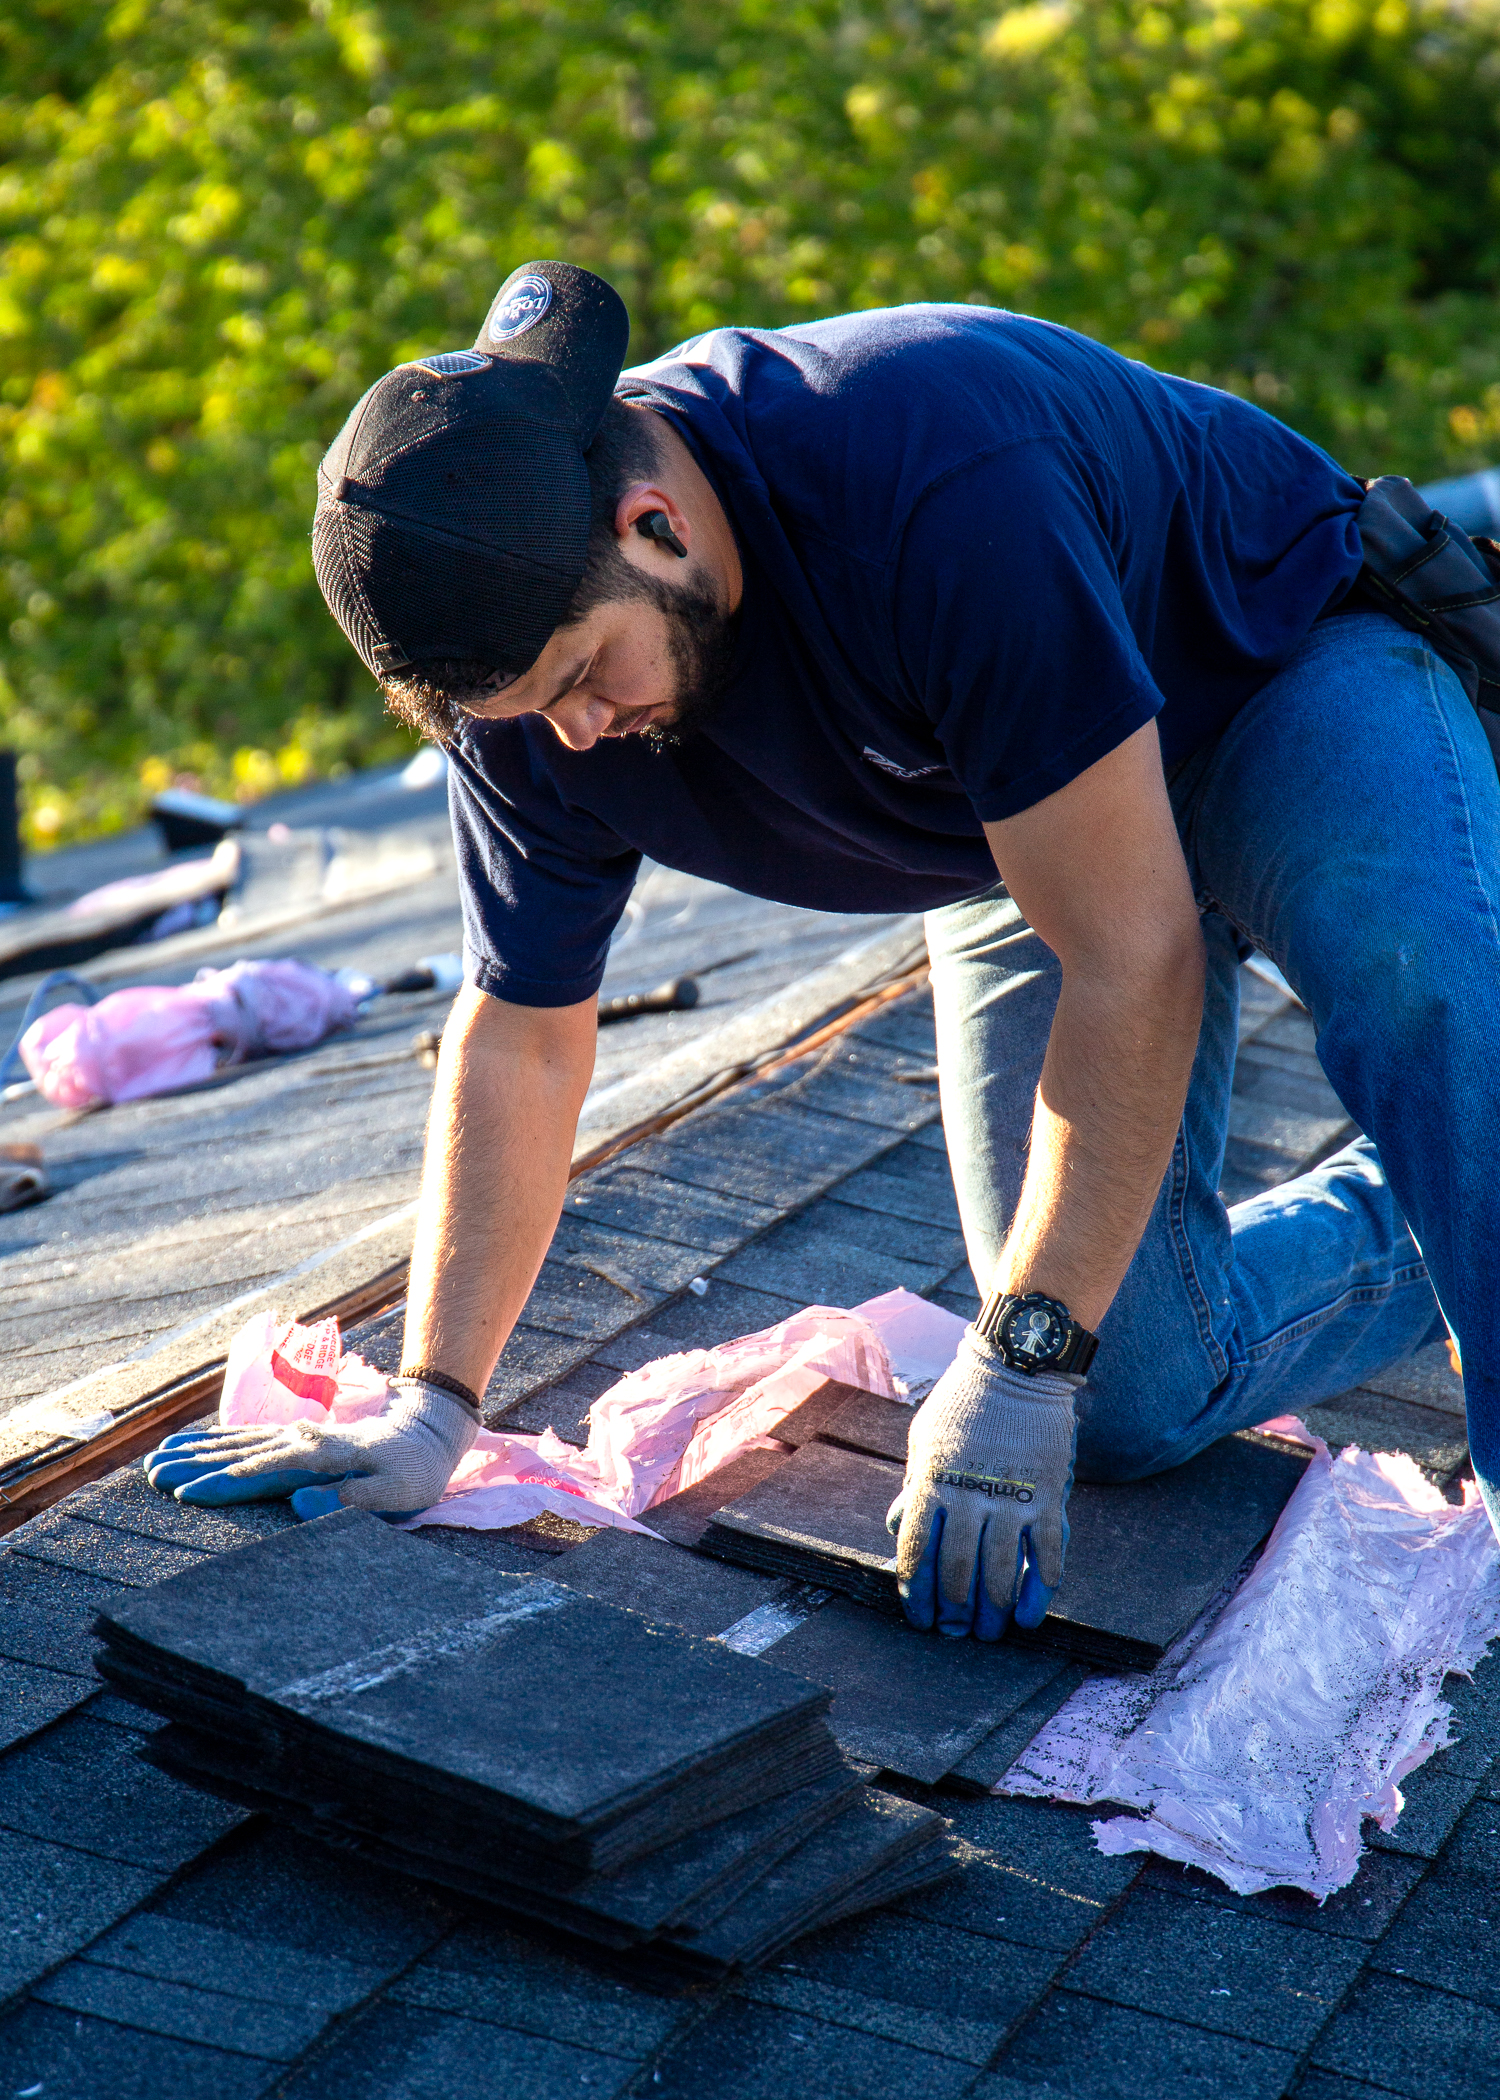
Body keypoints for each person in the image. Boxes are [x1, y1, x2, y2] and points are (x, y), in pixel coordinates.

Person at [146, 260, 1489, 1644]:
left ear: (653, 523)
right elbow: (526, 1038)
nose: (573, 738)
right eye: (520, 714)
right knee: (1131, 1390)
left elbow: (1134, 957)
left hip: (1261, 674)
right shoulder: (522, 697)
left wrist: (1017, 1363)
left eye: (581, 677)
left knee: (1439, 1001)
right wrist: (433, 1402)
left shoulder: (929, 476)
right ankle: (1438, 1199)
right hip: (1018, 829)